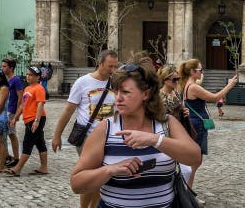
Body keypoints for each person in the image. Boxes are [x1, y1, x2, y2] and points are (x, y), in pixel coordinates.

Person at [70, 58, 201, 208]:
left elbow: (194, 157)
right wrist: (110, 170)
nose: (118, 98)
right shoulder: (105, 129)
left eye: (125, 92)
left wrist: (155, 140)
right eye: (116, 91)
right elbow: (77, 183)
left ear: (146, 94)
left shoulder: (166, 124)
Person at [51, 50, 118, 208]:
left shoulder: (115, 82)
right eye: (110, 66)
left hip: (109, 136)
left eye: (115, 66)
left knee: (102, 178)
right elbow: (68, 110)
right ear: (100, 63)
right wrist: (57, 135)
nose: (113, 70)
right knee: (90, 176)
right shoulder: (83, 82)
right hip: (87, 138)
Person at [178, 58, 238, 189]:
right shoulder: (193, 87)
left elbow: (199, 82)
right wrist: (230, 85)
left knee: (195, 160)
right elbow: (215, 98)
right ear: (193, 72)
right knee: (195, 160)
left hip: (194, 123)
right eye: (200, 70)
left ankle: (187, 189)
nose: (202, 72)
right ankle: (187, 190)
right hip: (197, 124)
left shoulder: (186, 84)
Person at [5, 66, 48, 176]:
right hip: (29, 119)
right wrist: (15, 117)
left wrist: (37, 121)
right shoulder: (27, 89)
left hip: (35, 118)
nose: (28, 76)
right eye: (27, 74)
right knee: (40, 143)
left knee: (27, 143)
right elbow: (23, 105)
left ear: (38, 77)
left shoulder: (39, 88)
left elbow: (40, 104)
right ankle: (44, 167)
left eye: (31, 75)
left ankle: (17, 168)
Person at [1, 57, 24, 167]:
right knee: (3, 134)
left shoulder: (16, 80)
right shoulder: (5, 80)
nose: (2, 68)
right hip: (4, 110)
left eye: (4, 66)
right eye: (2, 66)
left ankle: (15, 157)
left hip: (11, 110)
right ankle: (6, 156)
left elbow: (21, 97)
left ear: (11, 68)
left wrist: (17, 114)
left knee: (11, 133)